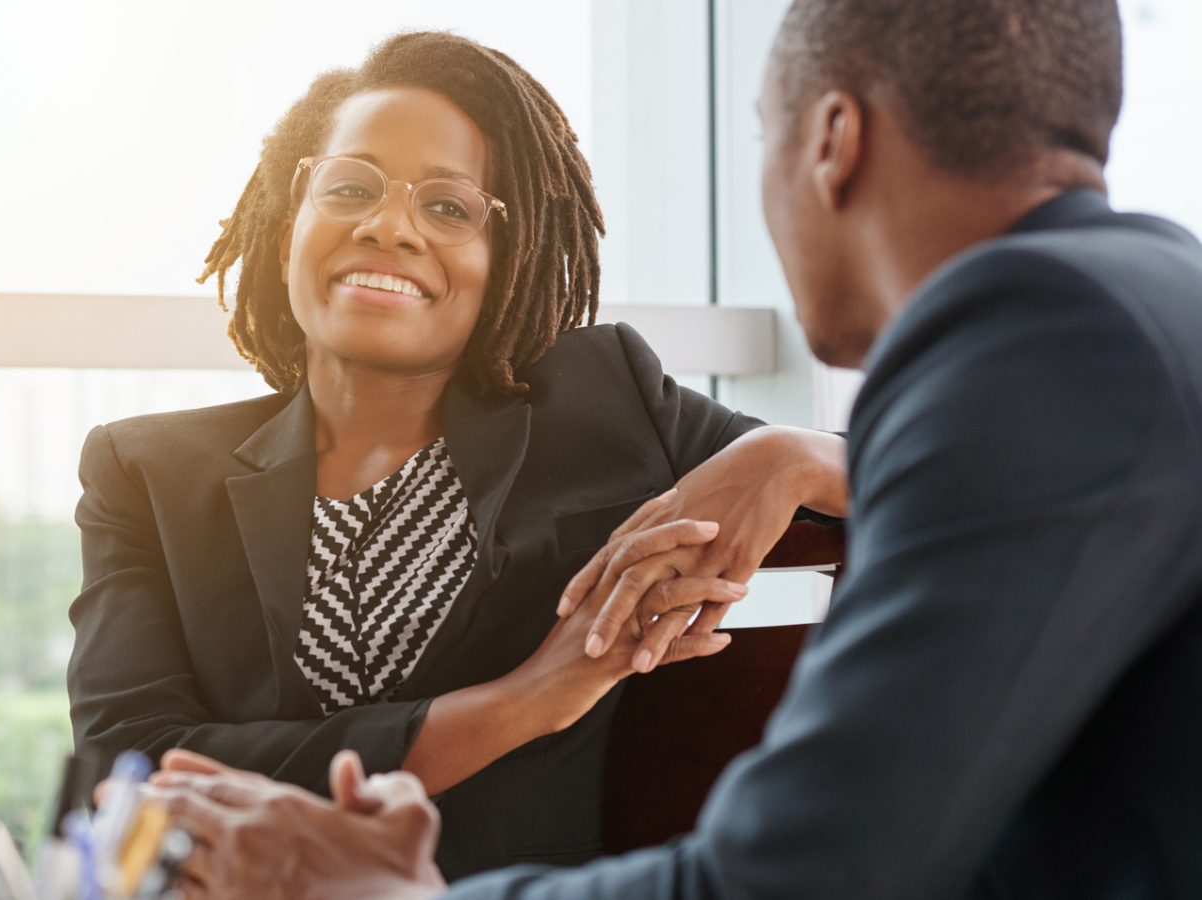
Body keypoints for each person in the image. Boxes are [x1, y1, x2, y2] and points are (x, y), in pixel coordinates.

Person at [146, 1, 1202, 897]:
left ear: (833, 140)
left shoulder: (1039, 339)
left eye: (760, 137)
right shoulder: (1145, 303)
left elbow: (791, 880)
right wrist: (794, 455)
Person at [66, 31, 848, 881]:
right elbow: (127, 772)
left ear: (505, 259)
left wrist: (788, 453)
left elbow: (943, 478)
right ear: (289, 220)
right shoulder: (145, 474)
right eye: (350, 187)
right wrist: (527, 702)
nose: (388, 226)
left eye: (448, 207)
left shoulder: (605, 404)